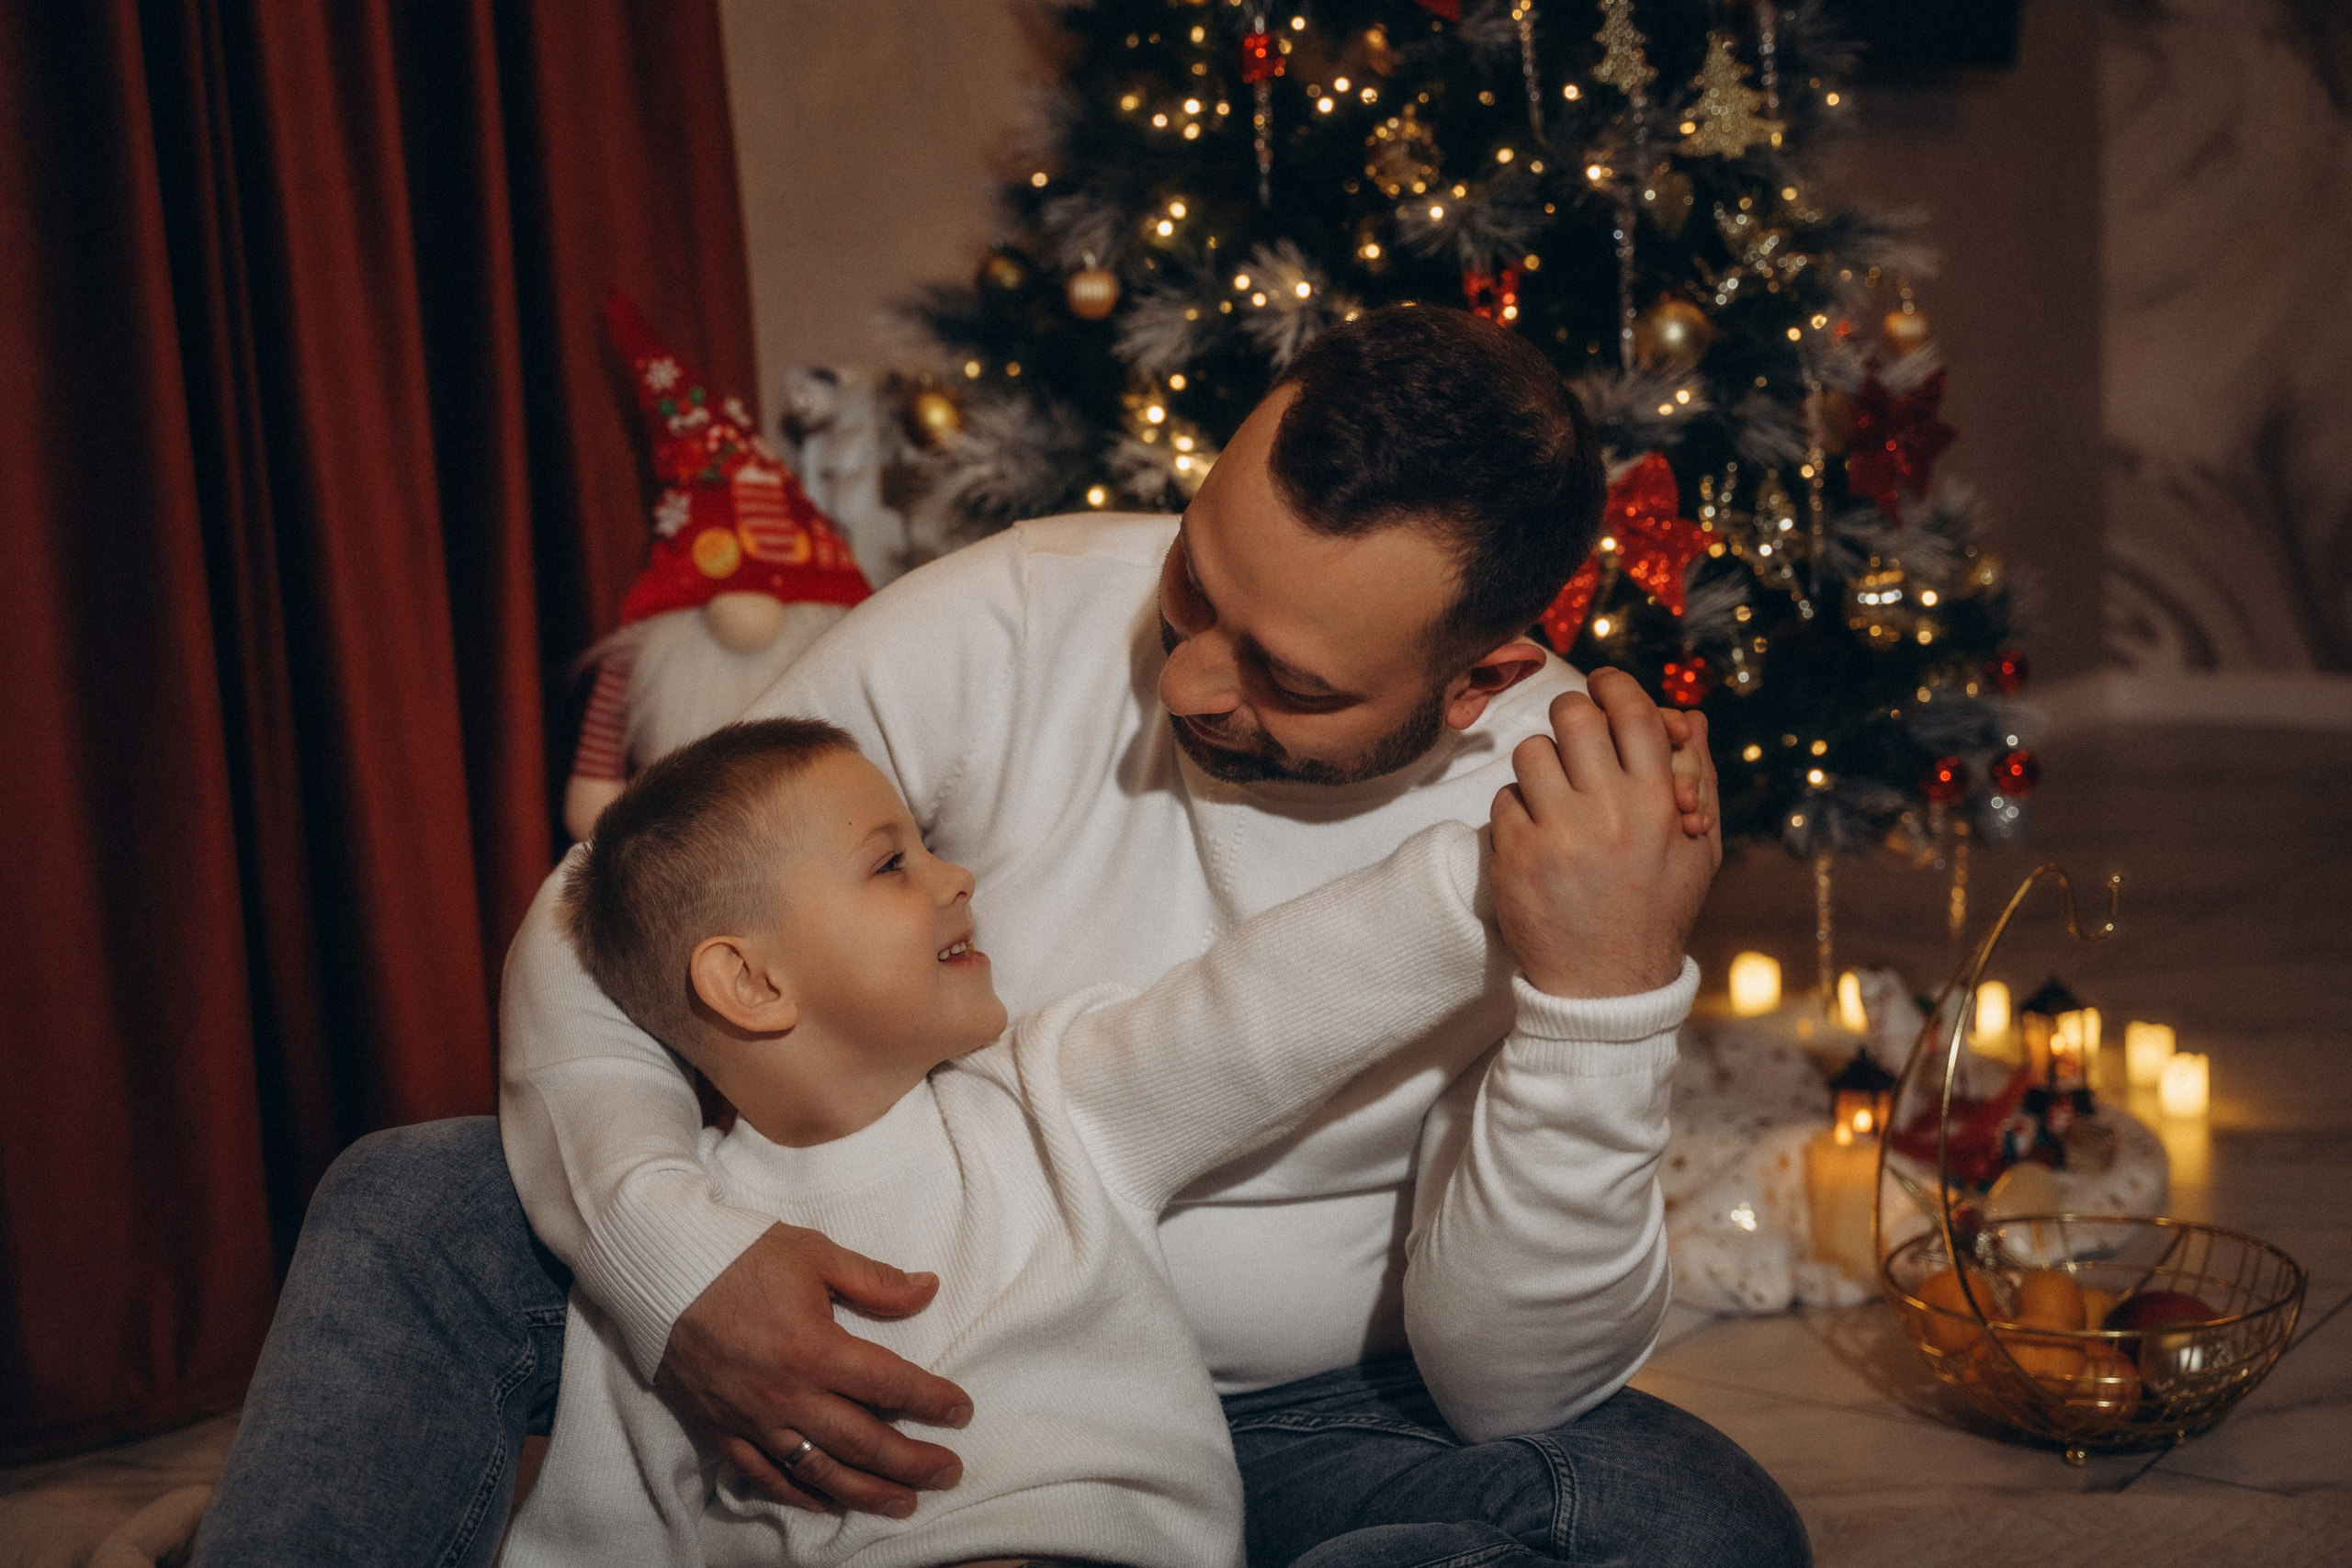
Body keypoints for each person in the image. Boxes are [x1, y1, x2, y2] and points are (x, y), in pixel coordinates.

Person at [196, 306, 1809, 1567]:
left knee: (1679, 1515)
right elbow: (618, 897)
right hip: (884, 1304)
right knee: (413, 1199)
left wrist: (1599, 995)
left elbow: (1504, 1390)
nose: (1182, 684)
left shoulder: (1571, 829)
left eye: (1287, 682)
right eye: (1195, 585)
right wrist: (679, 1262)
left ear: (1478, 679)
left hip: (1301, 1413)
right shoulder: (1022, 608)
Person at [504, 696, 1681, 1568]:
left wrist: (1513, 865)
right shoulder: (688, 1269)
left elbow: (1272, 1003)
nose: (956, 874)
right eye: (890, 865)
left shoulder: (1048, 1099)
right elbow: (593, 1532)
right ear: (749, 984)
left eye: (924, 843)